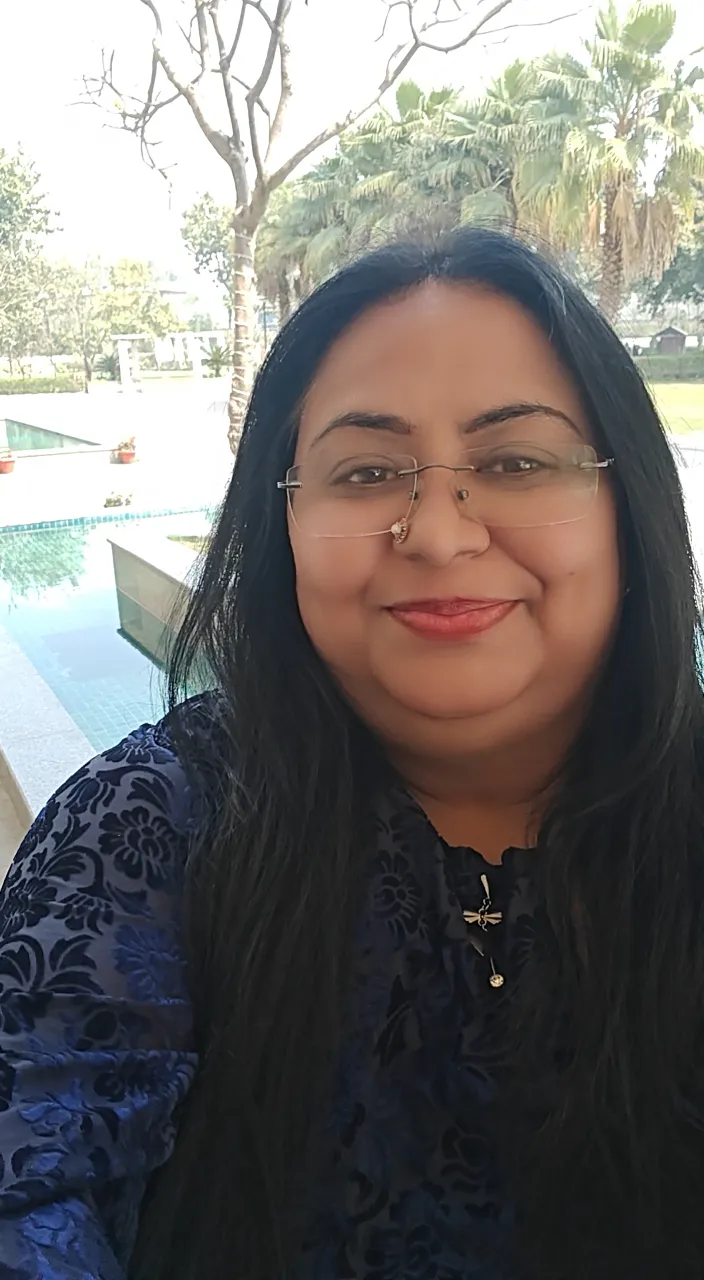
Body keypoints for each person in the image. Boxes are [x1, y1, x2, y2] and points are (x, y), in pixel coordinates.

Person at [1, 228, 703, 1280]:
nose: (433, 531)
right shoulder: (150, 826)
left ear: (624, 500)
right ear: (279, 520)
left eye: (514, 459)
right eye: (365, 470)